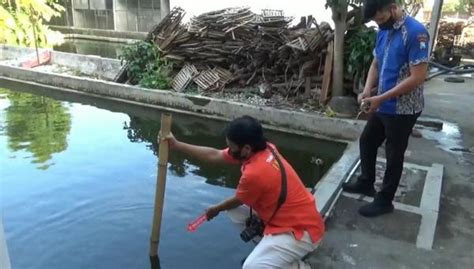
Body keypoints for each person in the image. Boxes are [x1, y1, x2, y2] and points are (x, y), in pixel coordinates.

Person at [162, 116, 324, 269]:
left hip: (302, 231)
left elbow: (239, 198)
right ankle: (270, 251)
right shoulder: (266, 148)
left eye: (232, 148)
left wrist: (215, 209)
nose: (230, 152)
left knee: (251, 267)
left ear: (246, 148)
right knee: (235, 212)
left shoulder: (255, 173)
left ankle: (297, 266)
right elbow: (215, 155)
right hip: (291, 217)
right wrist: (177, 145)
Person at [343, 0, 429, 217]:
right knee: (368, 141)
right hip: (383, 102)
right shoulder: (384, 30)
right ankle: (366, 182)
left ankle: (385, 201)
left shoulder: (416, 32)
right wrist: (368, 90)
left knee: (394, 153)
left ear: (392, 8)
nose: (379, 24)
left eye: (380, 19)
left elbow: (418, 77)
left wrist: (381, 98)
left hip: (403, 108)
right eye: (375, 21)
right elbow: (376, 62)